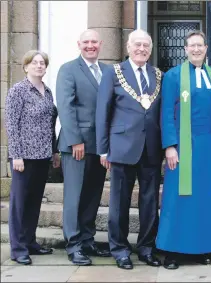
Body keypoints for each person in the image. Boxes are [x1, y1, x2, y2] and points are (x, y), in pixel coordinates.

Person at [156, 30, 211, 270]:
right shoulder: (172, 76)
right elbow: (167, 113)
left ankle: (203, 247)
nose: (196, 49)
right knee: (178, 197)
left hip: (210, 147)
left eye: (200, 45)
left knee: (206, 198)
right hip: (183, 146)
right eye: (192, 46)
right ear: (186, 48)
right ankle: (172, 250)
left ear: (206, 49)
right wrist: (169, 146)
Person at [96, 29, 163, 270]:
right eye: (137, 44)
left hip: (152, 149)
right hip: (122, 147)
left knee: (149, 203)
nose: (142, 49)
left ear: (151, 49)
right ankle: (120, 249)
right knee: (119, 203)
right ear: (128, 47)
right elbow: (103, 111)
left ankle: (146, 248)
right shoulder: (113, 73)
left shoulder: (158, 74)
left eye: (146, 45)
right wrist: (103, 149)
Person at [56, 29, 110, 266]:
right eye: (86, 42)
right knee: (74, 195)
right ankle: (74, 244)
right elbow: (65, 107)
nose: (90, 45)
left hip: (100, 145)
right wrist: (74, 140)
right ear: (79, 44)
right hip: (76, 144)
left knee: (92, 195)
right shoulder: (68, 69)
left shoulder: (108, 71)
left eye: (94, 42)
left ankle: (87, 239)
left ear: (101, 44)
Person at [5, 50, 60, 265]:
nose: (39, 66)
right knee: (19, 203)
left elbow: (50, 124)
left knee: (34, 201)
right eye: (34, 63)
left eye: (42, 63)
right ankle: (18, 248)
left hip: (42, 155)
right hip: (23, 157)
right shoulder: (18, 91)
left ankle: (30, 242)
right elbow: (11, 124)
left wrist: (54, 151)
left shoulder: (47, 92)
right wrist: (16, 155)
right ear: (26, 66)